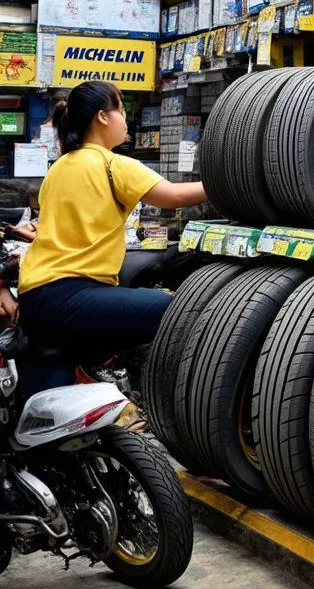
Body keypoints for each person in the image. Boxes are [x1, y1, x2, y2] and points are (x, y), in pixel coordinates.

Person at [13, 81, 207, 391]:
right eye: (120, 110)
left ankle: (94, 373)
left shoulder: (59, 167)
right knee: (178, 308)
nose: (125, 120)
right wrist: (223, 184)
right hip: (69, 295)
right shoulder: (112, 164)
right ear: (103, 117)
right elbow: (173, 196)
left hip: (35, 296)